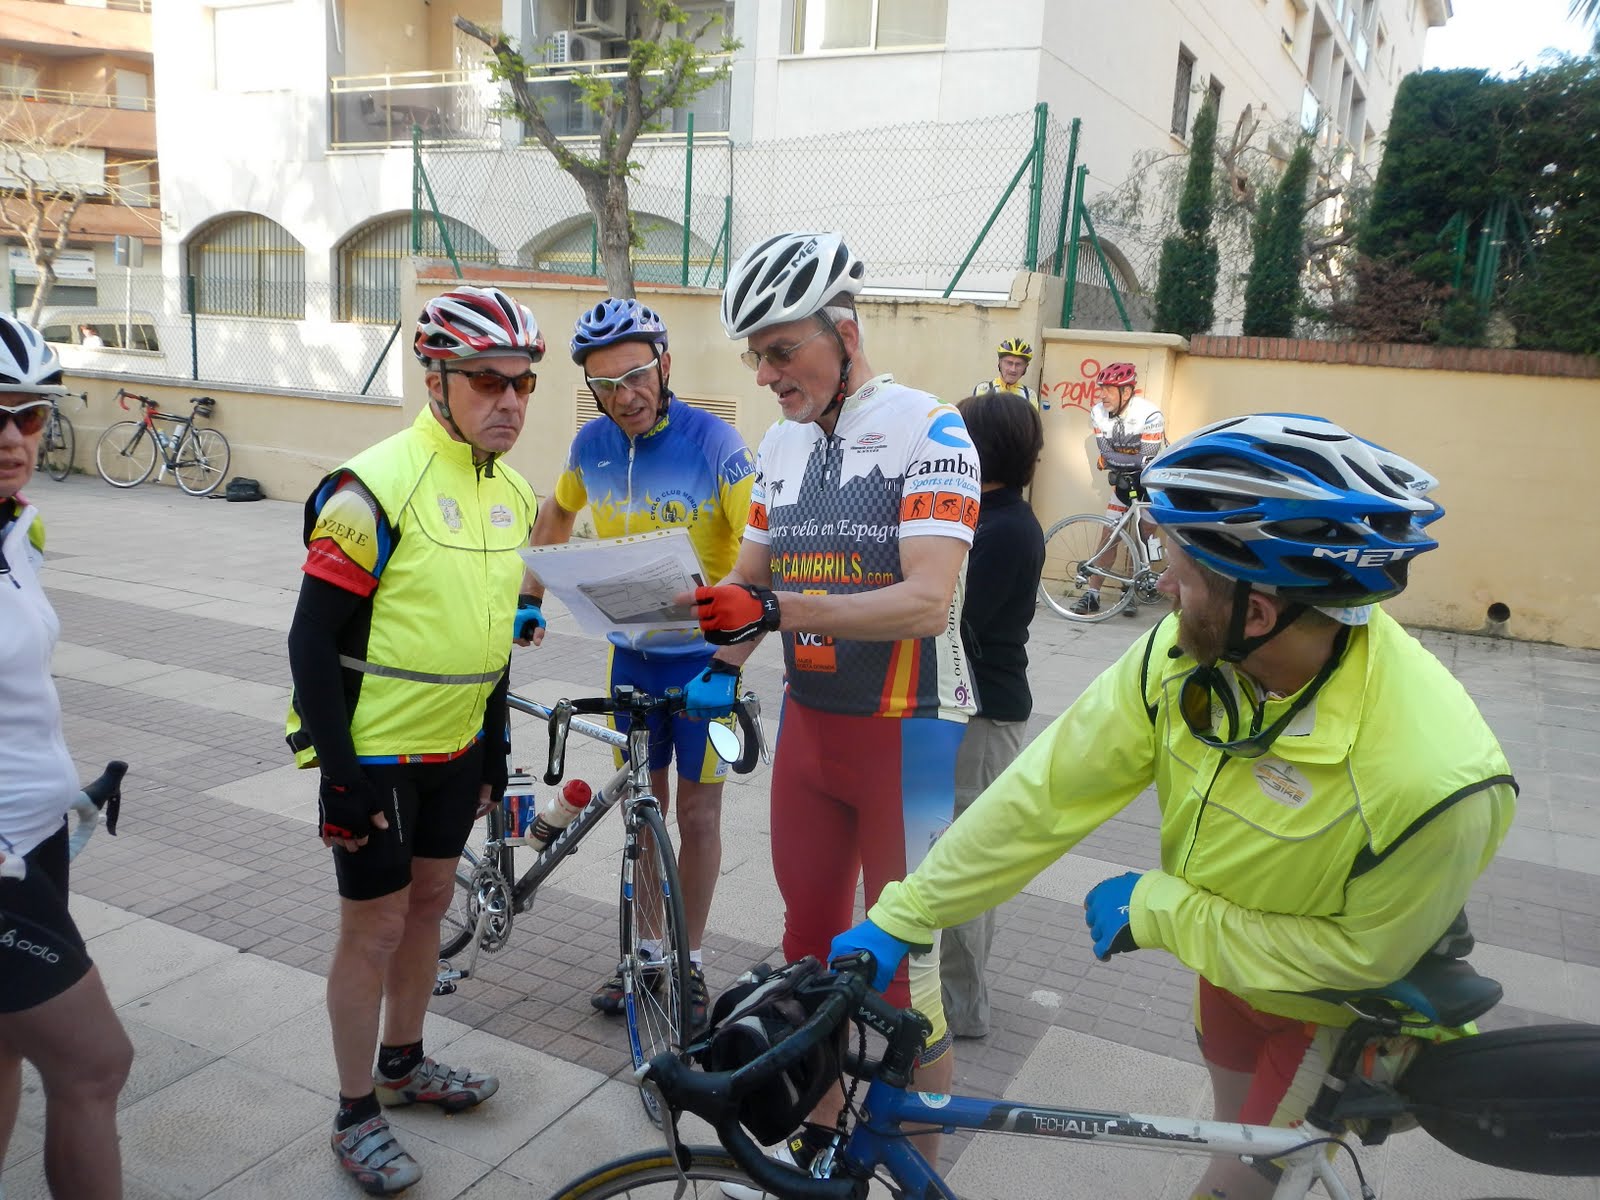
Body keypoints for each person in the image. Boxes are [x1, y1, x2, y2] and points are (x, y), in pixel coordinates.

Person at [833, 413, 1516, 1200]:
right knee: (1231, 1146)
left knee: (1234, 1188)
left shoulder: (1437, 778)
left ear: (1256, 614)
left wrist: (1161, 909)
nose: (1159, 586)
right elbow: (1046, 792)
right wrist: (907, 913)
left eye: (1178, 574)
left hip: (1328, 1012)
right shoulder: (1186, 655)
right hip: (1225, 980)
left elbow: (1362, 959)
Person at [689, 231, 980, 1175]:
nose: (767, 374)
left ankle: (918, 1173)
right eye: (756, 355)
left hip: (908, 738)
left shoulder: (932, 429)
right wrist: (716, 658)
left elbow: (927, 600)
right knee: (808, 956)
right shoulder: (778, 446)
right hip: (813, 732)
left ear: (844, 334)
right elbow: (748, 583)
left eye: (782, 350)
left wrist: (780, 609)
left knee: (906, 983)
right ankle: (820, 1144)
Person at [285, 285, 544, 1195]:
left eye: (523, 383)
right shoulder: (371, 488)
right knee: (375, 926)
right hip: (376, 753)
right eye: (488, 381)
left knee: (431, 904)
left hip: (455, 748)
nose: (509, 401)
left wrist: (495, 748)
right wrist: (338, 775)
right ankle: (355, 1109)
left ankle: (403, 1062)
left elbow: (494, 640)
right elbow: (310, 640)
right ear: (436, 380)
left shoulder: (515, 492)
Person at [525, 297, 753, 1031]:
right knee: (640, 813)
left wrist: (734, 651)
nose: (624, 397)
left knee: (698, 813)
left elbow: (763, 548)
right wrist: (531, 595)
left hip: (704, 665)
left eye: (636, 376)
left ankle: (687, 962)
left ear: (665, 365)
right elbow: (556, 514)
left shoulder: (715, 444)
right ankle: (646, 958)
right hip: (630, 662)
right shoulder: (590, 444)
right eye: (605, 384)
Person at [0, 314, 134, 1200]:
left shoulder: (17, 531)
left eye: (29, 414)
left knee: (5, 1046)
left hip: (38, 834)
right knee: (94, 1062)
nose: (13, 438)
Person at [938, 388, 1045, 1040]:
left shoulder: (1006, 529)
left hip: (985, 715)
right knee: (951, 854)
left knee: (964, 860)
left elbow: (955, 618)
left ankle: (962, 1009)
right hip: (969, 708)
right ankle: (948, 996)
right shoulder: (987, 517)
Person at [1072, 360, 1164, 616]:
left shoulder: (1150, 414)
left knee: (1144, 537)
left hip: (1153, 483)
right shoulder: (1098, 413)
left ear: (1127, 391)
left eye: (1109, 390)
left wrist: (1114, 459)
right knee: (1109, 536)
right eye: (1101, 389)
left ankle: (1131, 592)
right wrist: (1118, 460)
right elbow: (1106, 455)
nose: (1102, 395)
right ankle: (1092, 594)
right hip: (1124, 481)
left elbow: (1146, 460)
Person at [973, 337, 1034, 406]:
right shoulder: (984, 390)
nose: (1013, 369)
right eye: (1009, 363)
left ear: (1026, 367)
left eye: (1018, 364)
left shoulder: (1029, 395)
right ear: (1000, 363)